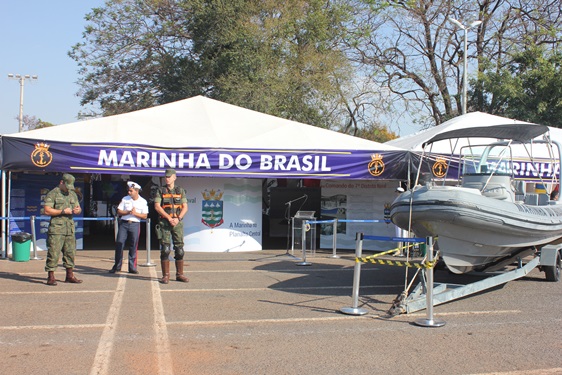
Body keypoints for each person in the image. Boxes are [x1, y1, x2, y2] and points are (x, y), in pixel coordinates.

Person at [43, 173, 83, 286]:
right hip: (57, 228)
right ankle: (51, 276)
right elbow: (47, 210)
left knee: (70, 252)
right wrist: (62, 212)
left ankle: (69, 275)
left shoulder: (72, 194)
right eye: (67, 186)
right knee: (53, 252)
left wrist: (77, 210)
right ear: (61, 182)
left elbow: (78, 209)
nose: (68, 189)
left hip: (69, 228)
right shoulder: (53, 193)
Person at [154, 168, 189, 284]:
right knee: (165, 249)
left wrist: (178, 219)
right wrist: (169, 218)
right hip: (165, 222)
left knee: (179, 250)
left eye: (169, 177)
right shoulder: (160, 190)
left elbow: (185, 207)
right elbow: (157, 206)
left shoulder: (180, 190)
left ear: (175, 177)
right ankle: (165, 275)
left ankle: (180, 274)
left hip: (177, 223)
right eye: (166, 177)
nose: (167, 179)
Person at [110, 181, 149, 274]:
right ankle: (117, 266)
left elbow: (145, 216)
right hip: (124, 223)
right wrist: (128, 212)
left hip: (135, 224)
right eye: (128, 190)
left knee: (133, 245)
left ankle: (132, 267)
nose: (129, 192)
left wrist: (135, 213)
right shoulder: (125, 199)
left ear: (136, 191)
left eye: (131, 191)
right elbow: (119, 211)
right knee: (119, 243)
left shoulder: (143, 201)